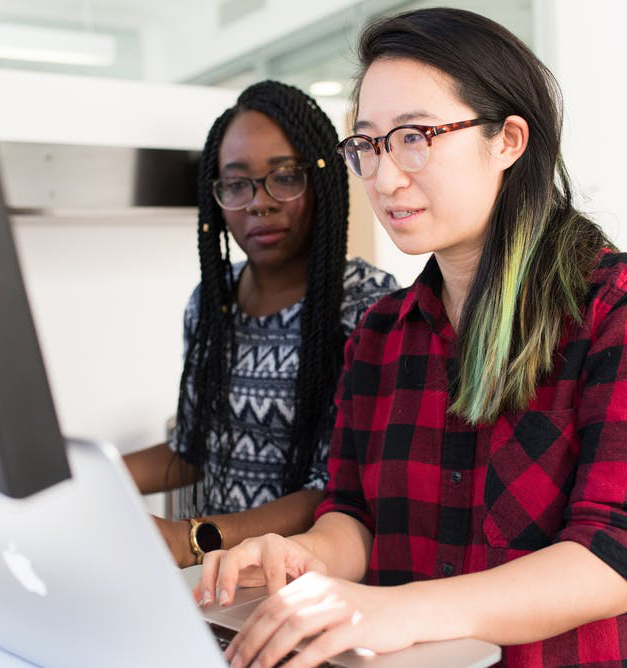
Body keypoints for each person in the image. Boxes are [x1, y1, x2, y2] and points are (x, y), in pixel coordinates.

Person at [195, 8, 627, 667]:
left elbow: (610, 553)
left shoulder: (609, 310)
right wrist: (305, 554)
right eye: (368, 145)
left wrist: (396, 609)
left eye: (416, 137)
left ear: (508, 140)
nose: (385, 178)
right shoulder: (379, 331)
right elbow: (355, 517)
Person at [124, 80, 398, 568]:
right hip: (220, 583)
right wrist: (84, 477)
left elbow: (339, 489)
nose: (259, 202)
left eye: (285, 177)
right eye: (236, 184)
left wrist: (192, 539)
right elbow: (192, 448)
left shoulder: (367, 308)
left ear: (321, 181)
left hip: (312, 583)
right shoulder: (211, 303)